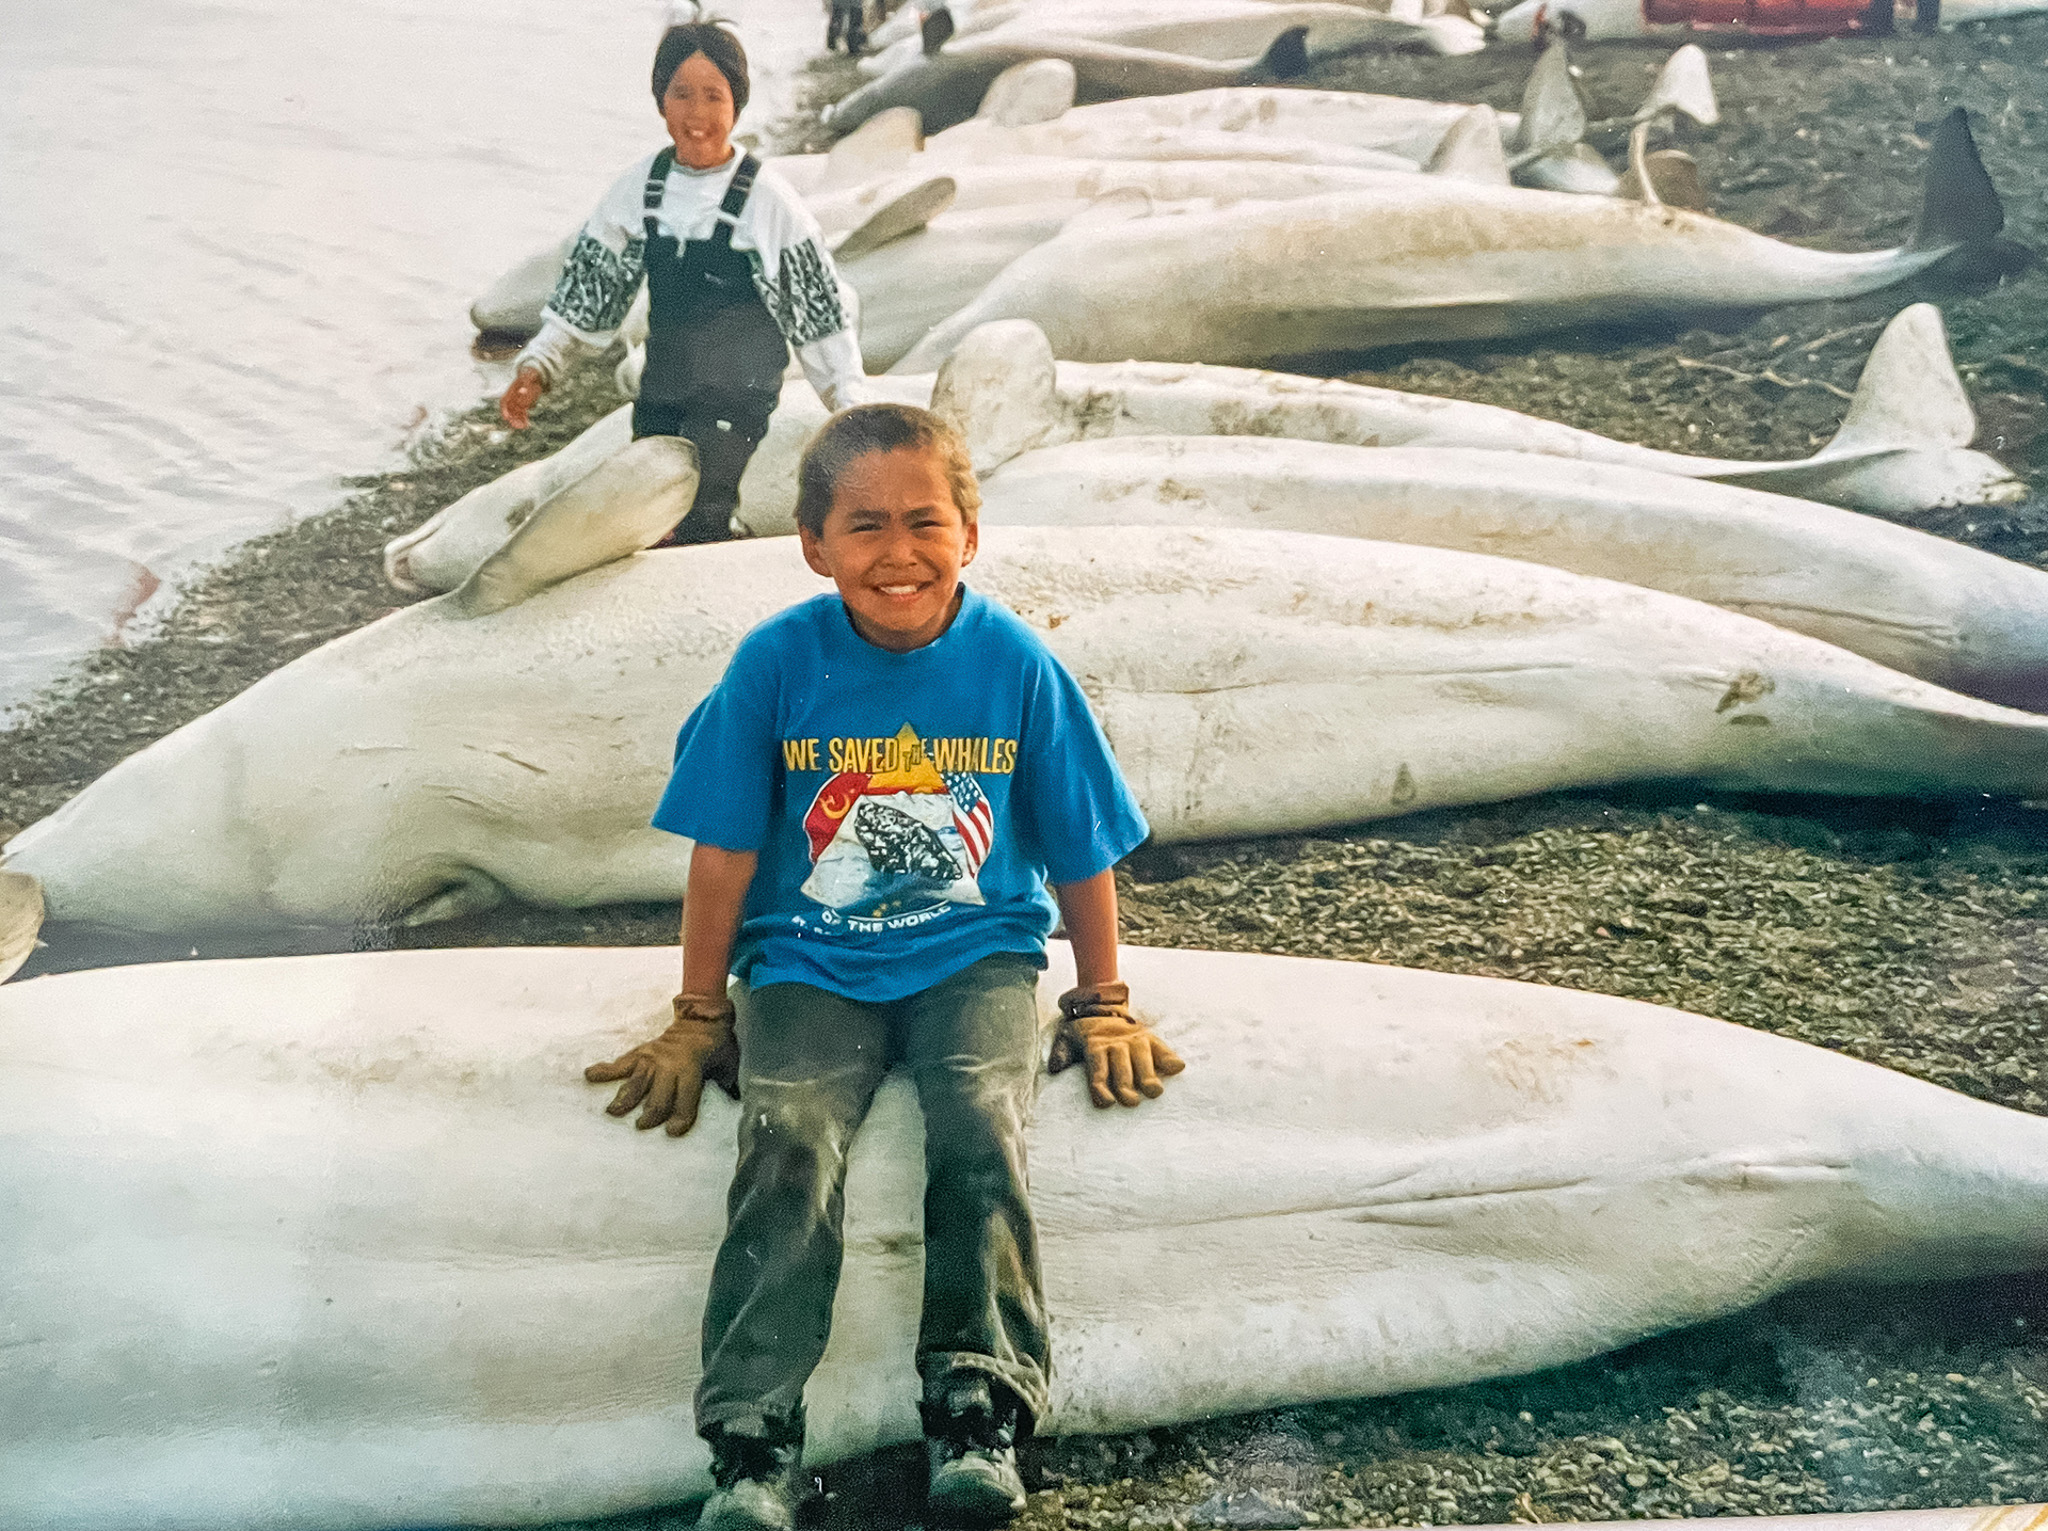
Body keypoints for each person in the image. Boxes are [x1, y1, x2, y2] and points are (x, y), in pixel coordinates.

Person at [583, 403, 1186, 1531]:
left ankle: (978, 1406)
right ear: (813, 545)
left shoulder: (1013, 661)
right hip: (806, 960)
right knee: (787, 1138)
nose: (896, 552)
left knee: (978, 1125)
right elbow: (723, 852)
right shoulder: (774, 662)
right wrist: (695, 1012)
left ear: (970, 531)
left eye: (924, 521)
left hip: (975, 956)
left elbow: (1079, 839)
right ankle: (751, 1438)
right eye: (863, 526)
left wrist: (1099, 999)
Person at [501, 22, 866, 546]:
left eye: (713, 96)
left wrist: (850, 405)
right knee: (647, 511)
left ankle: (718, 542)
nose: (697, 113)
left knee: (699, 507)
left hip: (738, 393)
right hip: (664, 386)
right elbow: (590, 291)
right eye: (682, 94)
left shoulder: (769, 201)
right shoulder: (638, 189)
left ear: (736, 105)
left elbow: (818, 316)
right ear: (660, 102)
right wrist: (539, 366)